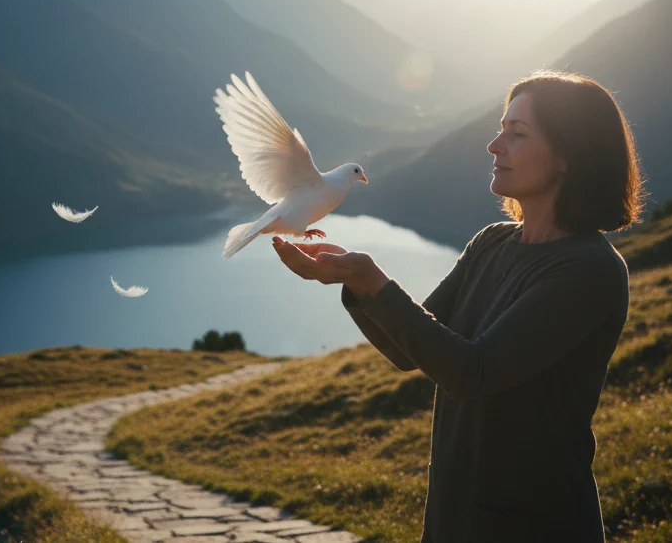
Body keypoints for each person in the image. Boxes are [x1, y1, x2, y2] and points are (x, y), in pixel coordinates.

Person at [271, 70, 645, 543]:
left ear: (569, 155)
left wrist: (371, 278)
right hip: (457, 511)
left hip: (536, 520)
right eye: (500, 127)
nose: (494, 145)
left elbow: (473, 372)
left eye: (517, 134)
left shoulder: (588, 271)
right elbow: (407, 350)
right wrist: (355, 280)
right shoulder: (492, 242)